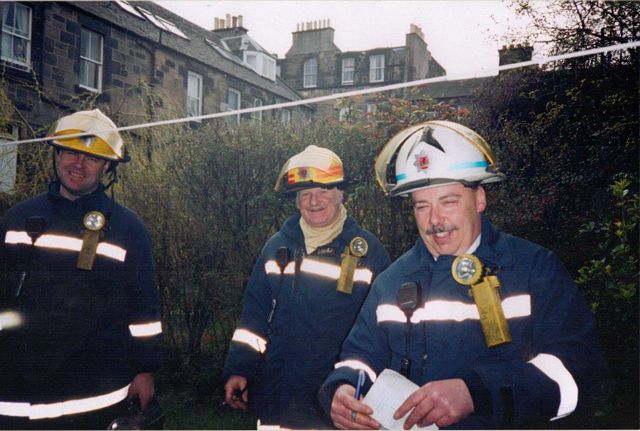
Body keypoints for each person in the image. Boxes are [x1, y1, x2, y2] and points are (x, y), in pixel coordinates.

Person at [319, 121, 606, 429]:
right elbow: (359, 356)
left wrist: (477, 392)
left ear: (479, 199)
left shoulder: (534, 270)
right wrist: (343, 387)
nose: (435, 221)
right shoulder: (391, 282)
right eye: (422, 207)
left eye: (449, 202)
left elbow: (578, 371)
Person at [0, 109, 163, 429]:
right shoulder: (18, 219)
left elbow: (144, 310)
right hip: (15, 391)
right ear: (57, 154)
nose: (78, 164)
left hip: (93, 396)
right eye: (71, 152)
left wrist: (146, 370)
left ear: (107, 167)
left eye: (91, 157)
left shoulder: (127, 229)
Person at [222, 145, 391, 429]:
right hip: (277, 397)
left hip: (333, 402)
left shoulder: (368, 253)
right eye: (305, 194)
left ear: (340, 194)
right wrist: (240, 368)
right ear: (296, 200)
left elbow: (383, 333)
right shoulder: (277, 247)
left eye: (323, 191)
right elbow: (253, 319)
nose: (313, 201)